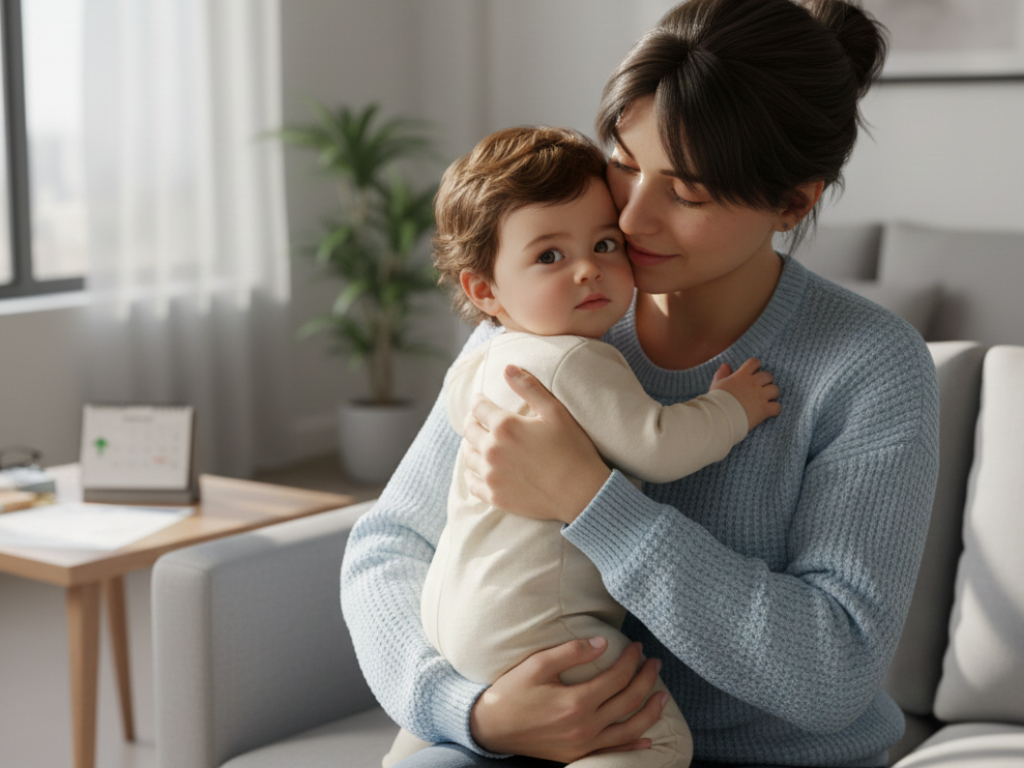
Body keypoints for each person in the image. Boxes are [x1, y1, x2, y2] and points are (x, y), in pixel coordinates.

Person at [341, 1, 940, 766]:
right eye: (624, 164)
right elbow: (390, 544)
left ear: (794, 201)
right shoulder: (548, 312)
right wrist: (471, 711)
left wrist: (589, 499)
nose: (631, 219)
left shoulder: (870, 365)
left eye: (686, 194)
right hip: (526, 737)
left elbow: (835, 669)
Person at [383, 125, 781, 768]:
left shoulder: (480, 362)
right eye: (550, 256)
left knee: (429, 751)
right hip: (544, 628)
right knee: (658, 738)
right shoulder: (576, 359)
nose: (588, 269)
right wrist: (732, 407)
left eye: (603, 244)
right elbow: (658, 446)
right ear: (484, 290)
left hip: (452, 624)